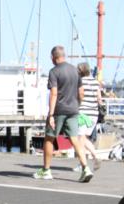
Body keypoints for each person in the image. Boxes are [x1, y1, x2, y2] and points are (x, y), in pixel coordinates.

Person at [34, 45, 94, 182]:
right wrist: (77, 106)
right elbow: (81, 93)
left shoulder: (54, 72)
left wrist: (51, 114)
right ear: (64, 56)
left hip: (59, 110)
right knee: (75, 139)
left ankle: (46, 170)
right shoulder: (75, 71)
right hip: (73, 110)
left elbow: (54, 93)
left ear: (53, 57)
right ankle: (85, 168)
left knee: (49, 138)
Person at [75, 62, 103, 169]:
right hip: (94, 114)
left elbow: (79, 95)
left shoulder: (80, 81)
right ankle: (95, 156)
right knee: (84, 138)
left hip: (83, 113)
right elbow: (99, 98)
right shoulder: (95, 82)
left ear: (80, 71)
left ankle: (82, 164)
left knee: (80, 139)